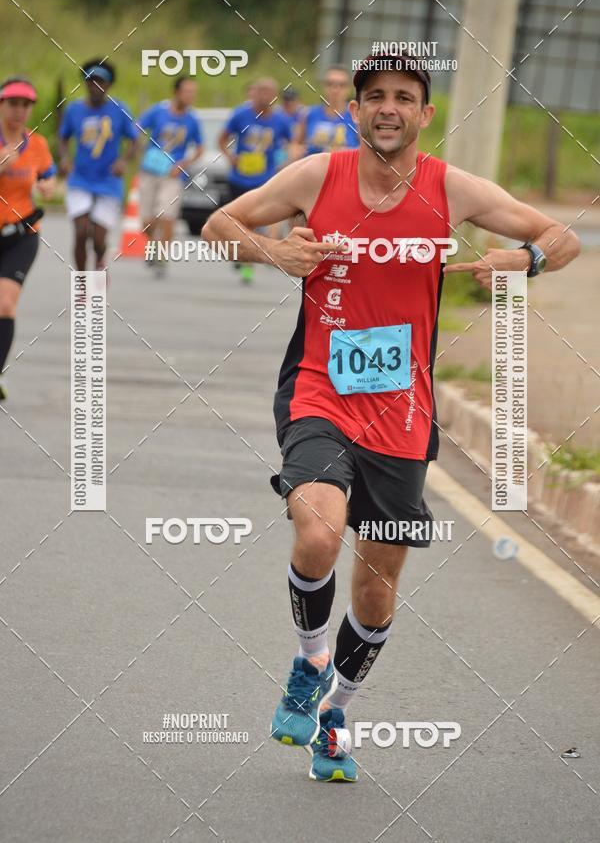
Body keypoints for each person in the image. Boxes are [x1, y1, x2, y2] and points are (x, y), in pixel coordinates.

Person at [202, 54, 580, 783]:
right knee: (317, 527)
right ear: (356, 110)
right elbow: (221, 220)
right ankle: (310, 665)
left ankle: (336, 712)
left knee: (376, 588)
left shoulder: (452, 189)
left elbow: (563, 239)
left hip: (404, 412)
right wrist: (273, 250)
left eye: (403, 98)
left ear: (424, 115)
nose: (387, 108)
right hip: (319, 388)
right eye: (375, 96)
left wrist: (524, 261)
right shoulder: (319, 175)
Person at [0, 77, 56, 400]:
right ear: (2, 105)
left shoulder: (37, 144)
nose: (20, 110)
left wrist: (49, 187)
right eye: (13, 103)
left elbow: (48, 177)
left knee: (5, 305)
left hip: (22, 234)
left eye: (26, 104)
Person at [58, 59, 137, 272]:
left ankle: (101, 260)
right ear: (85, 84)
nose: (96, 86)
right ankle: (83, 281)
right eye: (91, 82)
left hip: (108, 180)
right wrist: (64, 159)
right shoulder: (75, 110)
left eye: (101, 82)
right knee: (81, 231)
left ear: (109, 85)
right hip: (80, 178)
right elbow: (63, 138)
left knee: (99, 238)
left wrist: (122, 161)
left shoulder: (119, 109)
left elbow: (134, 140)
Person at [218, 76, 292, 283]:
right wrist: (230, 155)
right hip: (239, 177)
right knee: (238, 221)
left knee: (252, 221)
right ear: (254, 93)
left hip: (265, 179)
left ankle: (246, 263)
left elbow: (294, 142)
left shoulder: (281, 120)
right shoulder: (240, 115)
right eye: (262, 91)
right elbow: (222, 138)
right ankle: (240, 253)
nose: (265, 96)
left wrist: (285, 161)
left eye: (270, 92)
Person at [138, 77, 204, 276]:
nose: (190, 96)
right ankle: (153, 244)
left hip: (172, 174)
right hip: (150, 171)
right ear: (176, 91)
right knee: (147, 222)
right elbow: (138, 128)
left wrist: (183, 164)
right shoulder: (158, 111)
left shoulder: (192, 119)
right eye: (187, 91)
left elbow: (199, 148)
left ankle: (161, 257)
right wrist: (143, 148)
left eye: (193, 92)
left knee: (167, 215)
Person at [295, 64, 359, 157]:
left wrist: (345, 152)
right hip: (314, 169)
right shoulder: (308, 114)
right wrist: (297, 150)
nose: (335, 89)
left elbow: (365, 151)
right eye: (330, 84)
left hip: (343, 168)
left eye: (341, 85)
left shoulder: (356, 116)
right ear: (324, 86)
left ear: (349, 89)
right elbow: (295, 145)